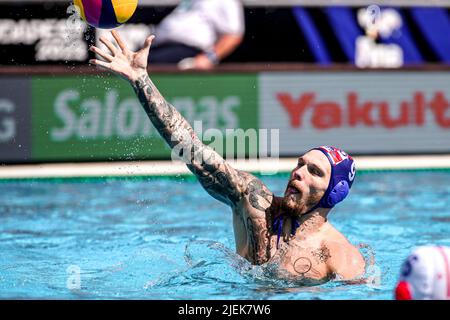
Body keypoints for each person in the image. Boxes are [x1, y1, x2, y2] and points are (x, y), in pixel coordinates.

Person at [89, 30, 365, 285]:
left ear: (335, 192)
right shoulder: (256, 203)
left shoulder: (342, 257)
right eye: (300, 164)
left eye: (314, 171)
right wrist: (141, 81)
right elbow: (192, 149)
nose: (299, 172)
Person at [148, 0, 244, 70]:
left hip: (187, 51)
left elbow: (234, 35)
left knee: (146, 66)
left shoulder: (226, 2)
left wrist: (209, 58)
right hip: (161, 48)